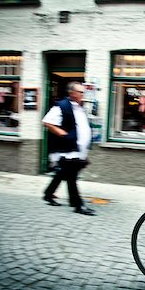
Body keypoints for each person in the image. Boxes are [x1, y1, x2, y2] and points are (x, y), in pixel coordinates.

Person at [42, 81, 95, 216]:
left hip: (78, 149)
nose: (83, 94)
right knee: (71, 177)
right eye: (80, 92)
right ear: (72, 93)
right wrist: (63, 134)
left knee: (63, 173)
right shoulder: (62, 106)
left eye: (83, 92)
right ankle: (78, 205)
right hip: (69, 149)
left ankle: (48, 194)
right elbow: (47, 122)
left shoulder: (79, 107)